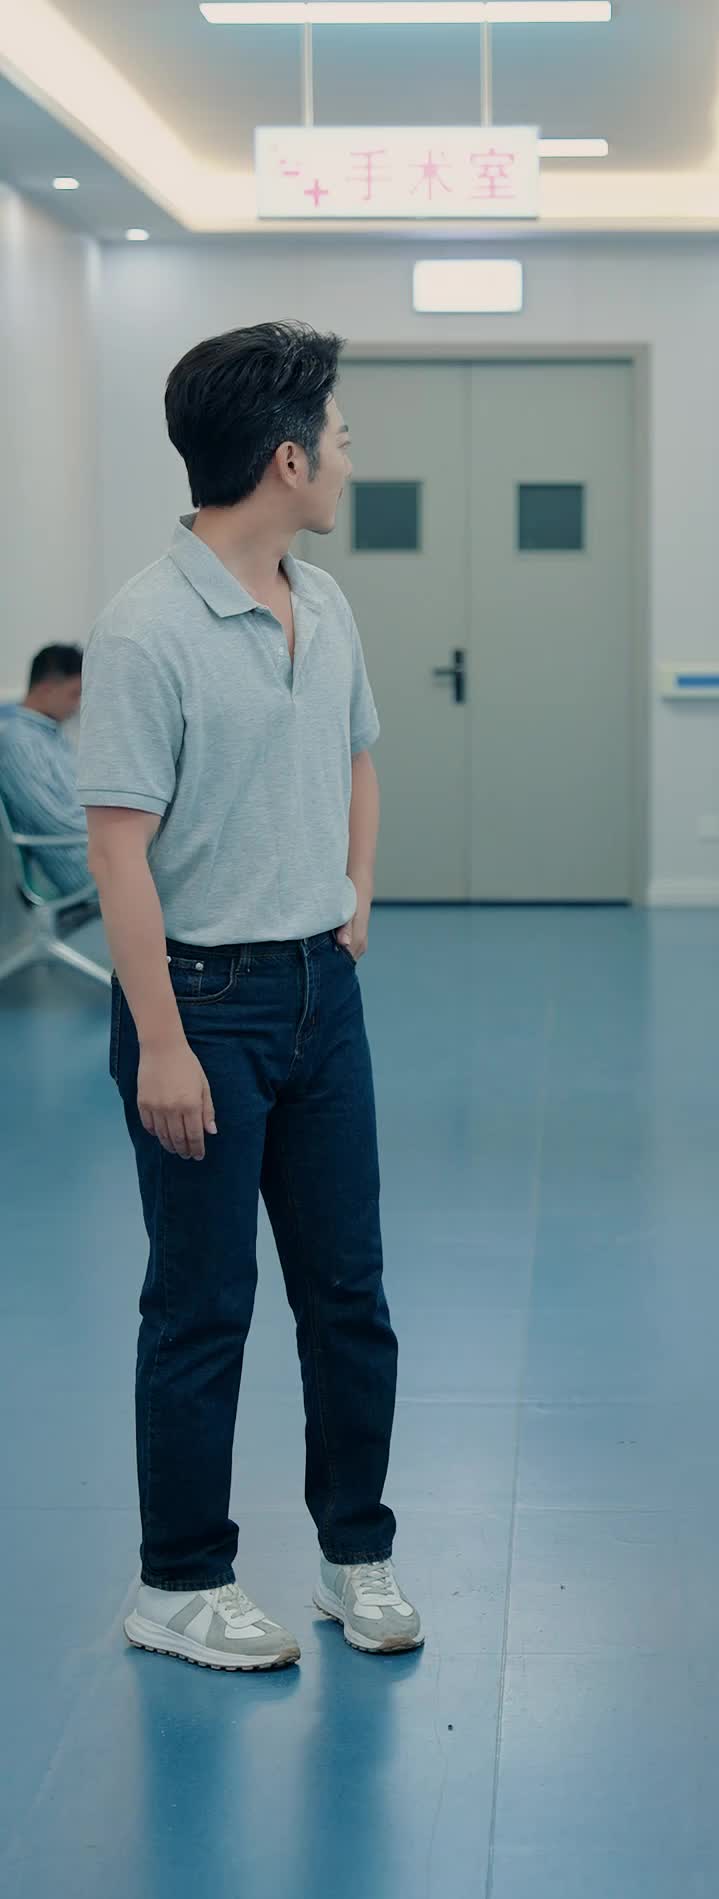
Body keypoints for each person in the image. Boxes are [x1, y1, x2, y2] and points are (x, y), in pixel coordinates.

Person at [77, 322, 421, 1671]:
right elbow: (118, 851)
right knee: (204, 1302)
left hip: (320, 996)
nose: (347, 458)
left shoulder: (322, 604)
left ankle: (354, 1552)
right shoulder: (146, 628)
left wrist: (357, 888)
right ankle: (178, 1582)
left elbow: (358, 756)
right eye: (337, 437)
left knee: (349, 1294)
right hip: (201, 1003)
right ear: (286, 459)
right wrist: (162, 1044)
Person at [0, 645, 90, 895]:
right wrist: (116, 830)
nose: (78, 704)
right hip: (79, 866)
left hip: (93, 848)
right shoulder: (20, 743)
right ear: (47, 689)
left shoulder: (51, 733)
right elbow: (55, 821)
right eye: (74, 694)